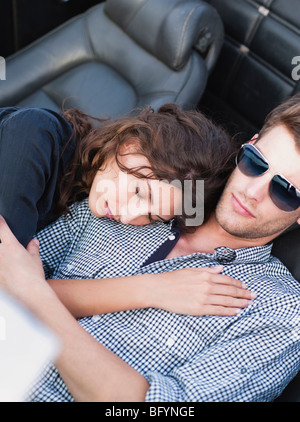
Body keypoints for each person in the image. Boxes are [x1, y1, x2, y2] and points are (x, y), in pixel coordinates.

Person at [0, 94, 300, 402]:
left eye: (285, 191)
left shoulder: (282, 311)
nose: (252, 191)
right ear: (249, 144)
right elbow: (11, 269)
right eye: (256, 162)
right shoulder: (136, 196)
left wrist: (34, 293)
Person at [0, 104, 254, 318]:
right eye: (140, 193)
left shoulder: (86, 197)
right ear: (130, 145)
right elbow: (8, 275)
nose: (130, 216)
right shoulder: (36, 134)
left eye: (152, 216)